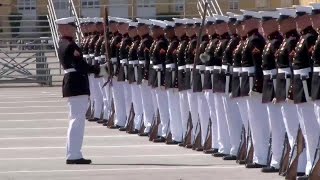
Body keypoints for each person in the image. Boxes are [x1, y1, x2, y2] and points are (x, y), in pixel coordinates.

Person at [56, 17, 108, 164]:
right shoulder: (71, 46)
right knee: (77, 120)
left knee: (75, 120)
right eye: (72, 27)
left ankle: (72, 152)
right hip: (76, 82)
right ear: (64, 28)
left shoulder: (63, 43)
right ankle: (74, 155)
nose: (75, 30)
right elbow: (81, 66)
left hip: (73, 82)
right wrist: (101, 70)